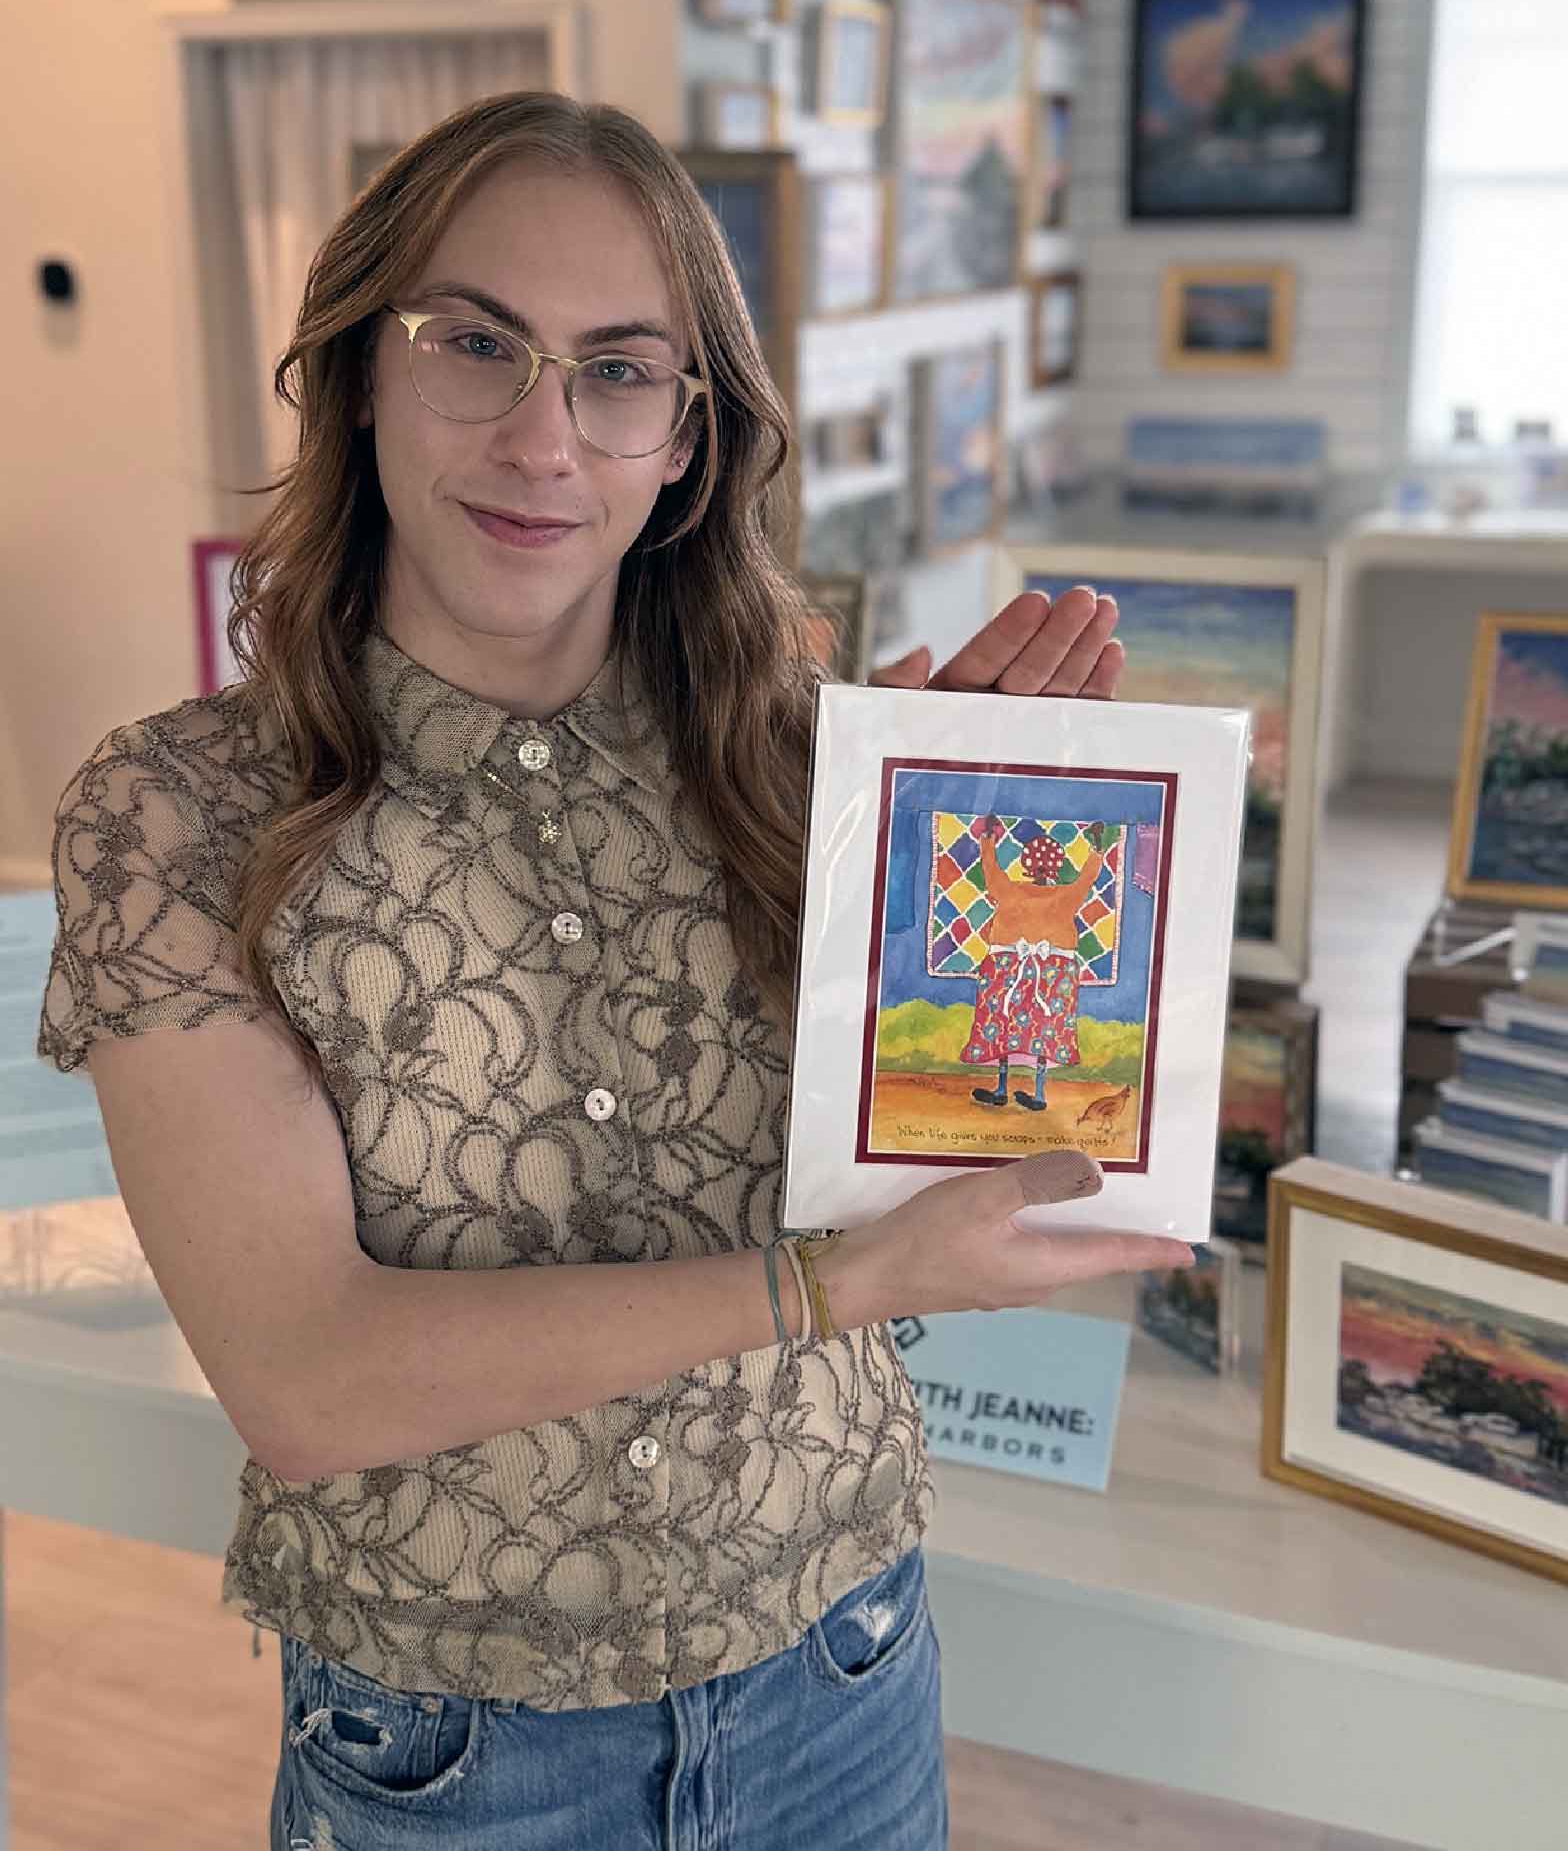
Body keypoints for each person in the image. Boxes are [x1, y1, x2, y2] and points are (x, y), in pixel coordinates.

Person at [34, 90, 1193, 1850]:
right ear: (357, 367)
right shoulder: (177, 811)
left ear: (687, 437)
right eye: (475, 343)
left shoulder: (812, 761)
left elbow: (971, 1153)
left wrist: (978, 849)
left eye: (620, 370)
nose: (541, 437)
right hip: (453, 1756)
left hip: (843, 1677)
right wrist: (823, 1281)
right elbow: (308, 1377)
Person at [962, 817, 1106, 1112]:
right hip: (1049, 971)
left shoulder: (1010, 890)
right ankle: (1034, 1093)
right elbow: (1087, 878)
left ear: (1027, 866)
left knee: (1004, 1024)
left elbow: (990, 870)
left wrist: (988, 837)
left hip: (1010, 968)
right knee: (1043, 1027)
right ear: (1056, 867)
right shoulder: (1065, 895)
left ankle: (1004, 1088)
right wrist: (1096, 845)